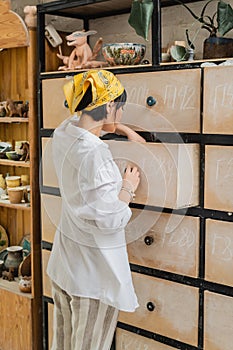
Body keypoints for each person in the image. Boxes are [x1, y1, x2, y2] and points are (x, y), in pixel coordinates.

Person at [47, 69, 144, 350]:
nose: (122, 116)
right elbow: (110, 219)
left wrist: (121, 128)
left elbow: (82, 120)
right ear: (110, 105)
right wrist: (127, 186)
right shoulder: (96, 153)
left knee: (63, 344)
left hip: (65, 264)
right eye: (120, 109)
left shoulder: (64, 132)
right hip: (93, 275)